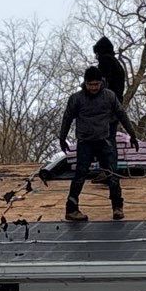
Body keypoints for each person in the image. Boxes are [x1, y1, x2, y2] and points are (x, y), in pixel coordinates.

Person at [57, 67, 138, 222]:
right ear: (85, 83)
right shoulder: (77, 98)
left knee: (112, 173)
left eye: (96, 84)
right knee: (80, 174)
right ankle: (71, 209)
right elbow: (67, 118)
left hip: (104, 140)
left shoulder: (109, 96)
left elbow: (122, 114)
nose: (93, 88)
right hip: (85, 142)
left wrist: (132, 135)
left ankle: (117, 207)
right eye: (90, 84)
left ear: (101, 82)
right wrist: (62, 138)